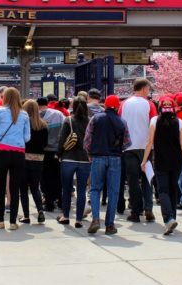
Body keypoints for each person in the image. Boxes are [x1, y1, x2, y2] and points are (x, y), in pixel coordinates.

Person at [142, 96, 182, 235]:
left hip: (161, 160)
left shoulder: (154, 121)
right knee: (173, 189)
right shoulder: (179, 122)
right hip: (176, 160)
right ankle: (172, 218)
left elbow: (149, 142)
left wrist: (144, 160)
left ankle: (168, 219)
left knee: (163, 190)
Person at [84, 94, 131, 235]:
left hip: (98, 157)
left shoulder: (95, 119)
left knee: (95, 189)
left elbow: (87, 140)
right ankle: (110, 225)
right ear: (117, 106)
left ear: (105, 105)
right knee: (113, 192)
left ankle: (95, 219)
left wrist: (90, 153)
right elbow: (127, 143)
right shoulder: (122, 122)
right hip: (115, 158)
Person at [0, 87, 31, 230]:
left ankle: (0, 220)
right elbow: (27, 137)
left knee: (0, 187)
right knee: (14, 188)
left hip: (2, 152)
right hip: (19, 153)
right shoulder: (24, 115)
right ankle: (13, 222)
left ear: (4, 97)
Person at [119, 78, 157, 223]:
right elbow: (154, 124)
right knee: (148, 178)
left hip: (128, 148)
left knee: (133, 180)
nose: (149, 91)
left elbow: (120, 123)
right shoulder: (149, 105)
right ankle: (148, 208)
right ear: (144, 88)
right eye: (148, 88)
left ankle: (136, 211)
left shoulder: (124, 104)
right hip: (146, 147)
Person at [58, 96, 91, 228]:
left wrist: (59, 154)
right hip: (84, 159)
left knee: (66, 189)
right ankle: (79, 220)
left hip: (68, 158)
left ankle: (65, 216)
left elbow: (62, 140)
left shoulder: (68, 121)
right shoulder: (90, 121)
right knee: (82, 190)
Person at [19, 99, 47, 224]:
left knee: (23, 189)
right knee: (35, 187)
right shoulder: (43, 125)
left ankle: (26, 216)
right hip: (39, 159)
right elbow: (45, 144)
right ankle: (40, 210)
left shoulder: (23, 123)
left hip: (24, 157)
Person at [37, 96, 64, 211]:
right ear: (47, 103)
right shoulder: (58, 114)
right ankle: (60, 200)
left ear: (37, 105)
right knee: (57, 176)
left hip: (42, 151)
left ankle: (48, 202)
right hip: (57, 150)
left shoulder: (35, 116)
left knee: (45, 177)